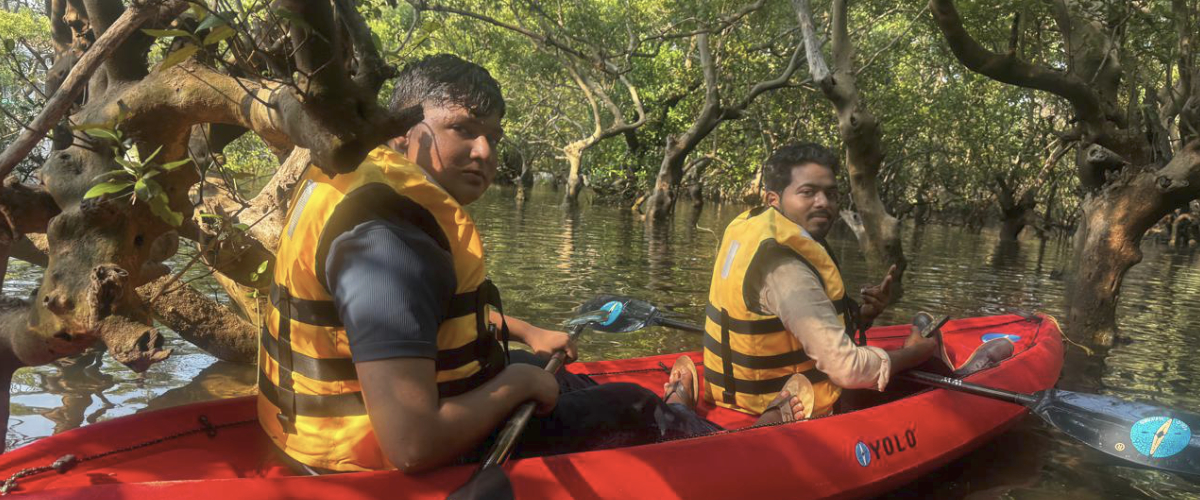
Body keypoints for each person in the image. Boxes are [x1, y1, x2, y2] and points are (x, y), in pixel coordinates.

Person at [258, 54, 731, 475]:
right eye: (462, 129)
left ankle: (668, 413)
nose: (485, 153)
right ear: (401, 131)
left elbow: (432, 320)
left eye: (493, 136)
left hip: (314, 437)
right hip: (365, 466)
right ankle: (703, 431)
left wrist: (527, 332)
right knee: (633, 405)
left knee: (540, 367)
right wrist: (520, 382)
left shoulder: (364, 182)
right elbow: (412, 445)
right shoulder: (389, 240)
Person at [702, 143, 938, 419]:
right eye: (808, 192)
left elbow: (788, 325)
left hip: (736, 399)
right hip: (787, 411)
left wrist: (863, 315)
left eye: (831, 193)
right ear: (772, 199)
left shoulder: (756, 230)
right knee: (931, 368)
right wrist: (917, 353)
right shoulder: (787, 267)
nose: (823, 202)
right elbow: (847, 369)